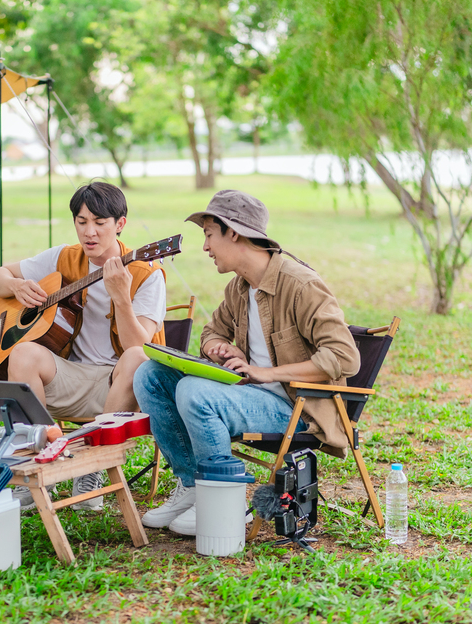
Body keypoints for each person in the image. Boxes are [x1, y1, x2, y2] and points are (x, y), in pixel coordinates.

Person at [134, 189, 359, 535]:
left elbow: (344, 356)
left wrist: (266, 372)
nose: (205, 247)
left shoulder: (301, 285)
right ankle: (193, 487)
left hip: (297, 409)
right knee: (149, 374)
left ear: (234, 233)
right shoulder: (239, 287)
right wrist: (219, 349)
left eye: (209, 235)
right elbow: (212, 332)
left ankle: (225, 501)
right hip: (249, 396)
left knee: (195, 391)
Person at [0, 181, 167, 509]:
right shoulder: (65, 257)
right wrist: (16, 285)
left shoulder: (147, 273)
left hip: (121, 387)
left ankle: (92, 468)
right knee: (23, 352)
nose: (89, 232)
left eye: (100, 222)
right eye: (81, 222)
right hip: (71, 377)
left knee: (137, 358)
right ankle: (41, 463)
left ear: (120, 224)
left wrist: (121, 297)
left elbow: (139, 346)